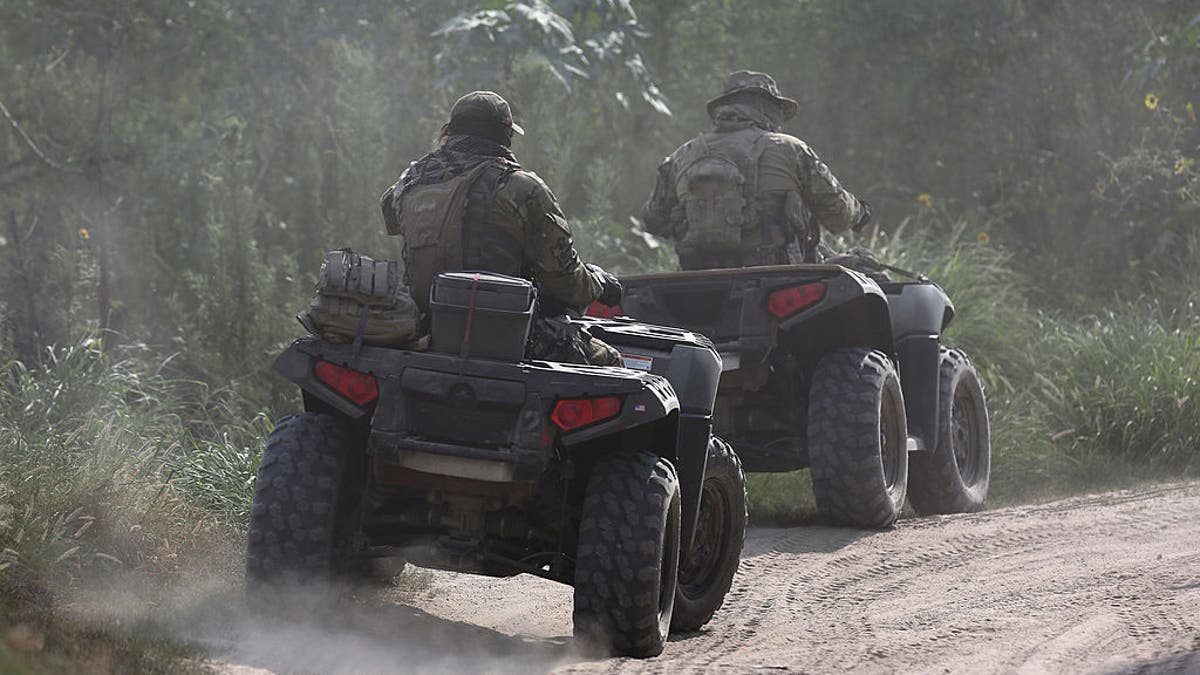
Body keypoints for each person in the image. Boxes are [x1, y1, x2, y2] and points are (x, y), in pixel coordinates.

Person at [380, 90, 622, 365]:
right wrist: (600, 283)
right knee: (611, 362)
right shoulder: (522, 189)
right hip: (503, 337)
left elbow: (392, 219)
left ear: (450, 132)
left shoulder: (408, 183)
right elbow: (566, 282)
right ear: (505, 137)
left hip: (423, 331)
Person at [642, 70, 872, 270]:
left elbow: (653, 221)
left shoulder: (681, 155)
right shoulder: (790, 149)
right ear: (767, 107)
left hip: (698, 282)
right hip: (777, 280)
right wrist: (859, 212)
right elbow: (838, 213)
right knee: (870, 273)